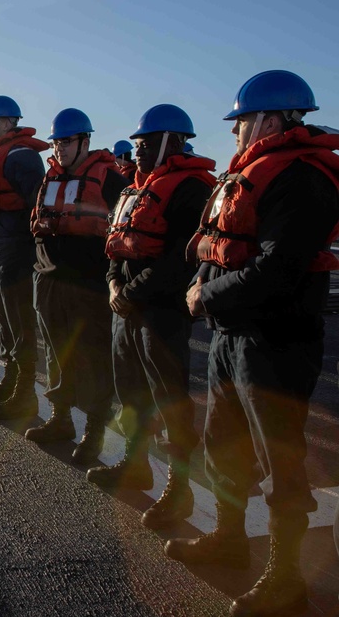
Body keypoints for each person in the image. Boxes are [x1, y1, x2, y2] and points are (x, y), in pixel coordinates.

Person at [167, 70, 339, 617]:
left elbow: (278, 271)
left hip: (275, 341)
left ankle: (285, 579)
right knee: (224, 446)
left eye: (240, 122)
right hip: (232, 334)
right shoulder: (256, 174)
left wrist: (205, 297)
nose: (236, 133)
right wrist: (205, 287)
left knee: (281, 465)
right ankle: (230, 538)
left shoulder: (304, 180)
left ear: (267, 119)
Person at [88, 105, 215, 530]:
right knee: (131, 392)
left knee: (169, 400)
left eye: (145, 144)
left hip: (161, 314)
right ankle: (135, 462)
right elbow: (114, 245)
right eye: (137, 144)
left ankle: (179, 490)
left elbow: (180, 258)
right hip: (126, 308)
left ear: (173, 142)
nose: (137, 152)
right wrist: (112, 286)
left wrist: (129, 293)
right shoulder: (135, 189)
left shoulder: (192, 189)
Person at [19, 109, 128, 464]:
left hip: (89, 285)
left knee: (95, 358)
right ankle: (61, 419)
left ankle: (94, 432)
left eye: (66, 141)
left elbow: (122, 235)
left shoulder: (110, 180)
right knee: (56, 352)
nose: (59, 148)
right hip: (49, 280)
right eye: (56, 142)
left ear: (85, 141)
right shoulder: (48, 181)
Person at [0, 96, 48, 402]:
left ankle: (25, 391)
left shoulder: (20, 156)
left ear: (6, 122)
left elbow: (36, 203)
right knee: (5, 317)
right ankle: (12, 379)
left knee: (18, 319)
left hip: (15, 249)